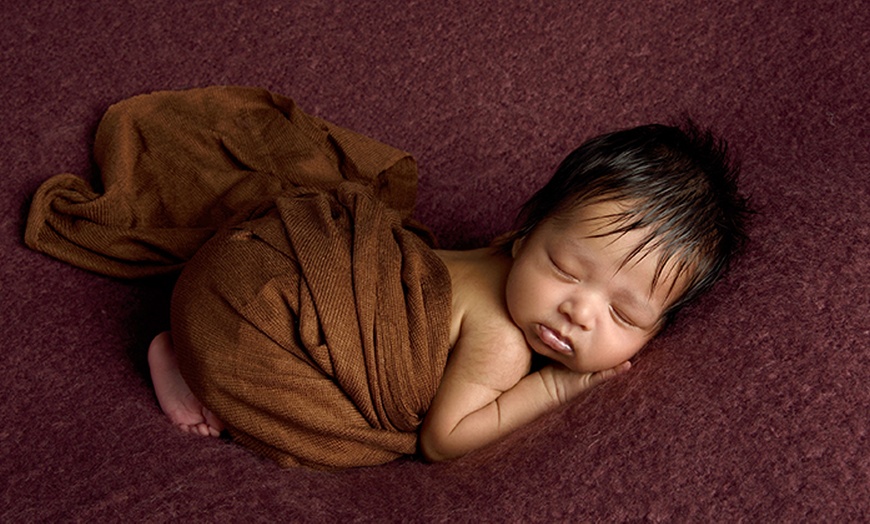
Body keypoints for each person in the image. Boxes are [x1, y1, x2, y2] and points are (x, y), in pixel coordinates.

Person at [148, 120, 748, 462]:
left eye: (623, 313)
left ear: (659, 327)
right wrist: (560, 383)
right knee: (324, 425)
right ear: (522, 236)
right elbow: (444, 439)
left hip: (240, 261)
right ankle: (199, 371)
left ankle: (182, 341)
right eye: (565, 268)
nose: (579, 310)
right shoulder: (503, 342)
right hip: (256, 314)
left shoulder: (489, 258)